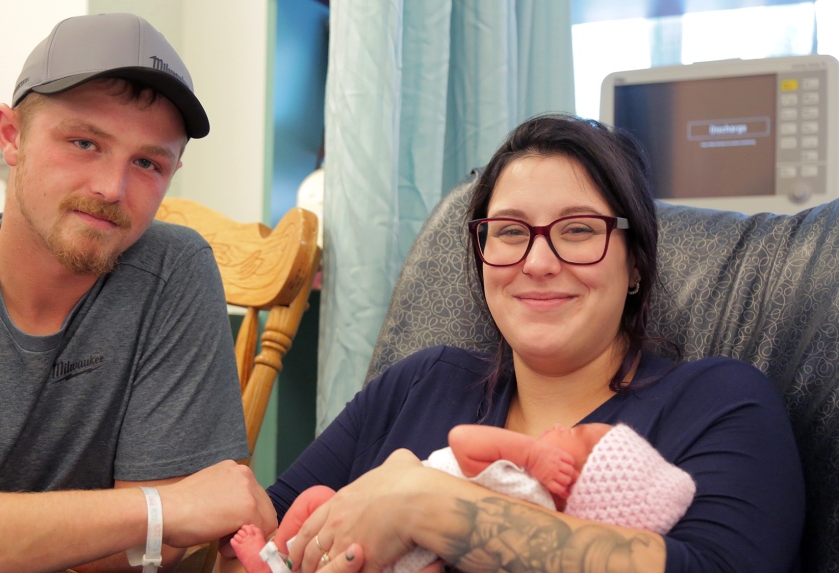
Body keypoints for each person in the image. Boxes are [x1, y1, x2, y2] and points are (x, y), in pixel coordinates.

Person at [0, 13, 276, 573]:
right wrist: (156, 513)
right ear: (12, 136)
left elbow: (167, 544)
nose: (112, 188)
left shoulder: (172, 271)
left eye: (148, 163)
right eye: (84, 142)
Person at [249, 114, 805, 573]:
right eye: (511, 232)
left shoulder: (718, 401)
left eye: (579, 230)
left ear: (635, 262)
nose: (538, 263)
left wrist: (422, 505)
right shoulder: (421, 381)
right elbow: (246, 546)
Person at [232, 422, 695, 573]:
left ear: (573, 483)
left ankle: (271, 559)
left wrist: (529, 451)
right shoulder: (423, 374)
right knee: (314, 499)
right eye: (507, 231)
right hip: (409, 557)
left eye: (575, 435)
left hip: (404, 553)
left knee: (316, 500)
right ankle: (272, 557)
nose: (559, 429)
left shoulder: (526, 487)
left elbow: (463, 441)